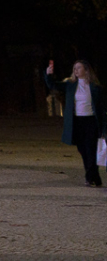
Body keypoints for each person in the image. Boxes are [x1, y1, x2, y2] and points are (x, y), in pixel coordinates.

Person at [43, 59, 101, 187]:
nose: (76, 70)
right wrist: (48, 74)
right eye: (74, 68)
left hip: (91, 121)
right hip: (77, 121)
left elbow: (102, 107)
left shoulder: (95, 87)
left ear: (86, 70)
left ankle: (89, 177)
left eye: (79, 68)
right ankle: (95, 176)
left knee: (91, 150)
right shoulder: (70, 84)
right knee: (83, 150)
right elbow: (53, 85)